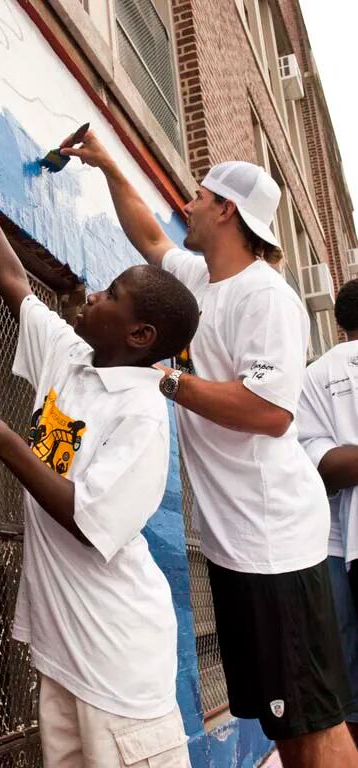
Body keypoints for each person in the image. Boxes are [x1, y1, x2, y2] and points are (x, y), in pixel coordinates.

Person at [60, 132, 358, 768]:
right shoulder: (202, 278)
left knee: (314, 723)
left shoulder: (267, 296)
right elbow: (150, 238)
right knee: (285, 723)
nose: (185, 205)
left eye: (197, 196)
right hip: (235, 544)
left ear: (227, 210)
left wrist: (163, 378)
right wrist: (109, 163)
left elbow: (271, 413)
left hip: (275, 543)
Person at [0, 150, 200, 768]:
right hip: (64, 653)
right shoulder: (72, 360)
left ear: (140, 337)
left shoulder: (140, 417)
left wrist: (5, 443)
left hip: (118, 669)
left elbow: (90, 522)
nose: (93, 296)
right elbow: (15, 287)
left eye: (111, 295)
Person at [297, 278, 358, 747]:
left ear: (338, 322)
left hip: (336, 546)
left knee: (347, 686)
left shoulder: (316, 375)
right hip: (338, 545)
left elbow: (317, 465)